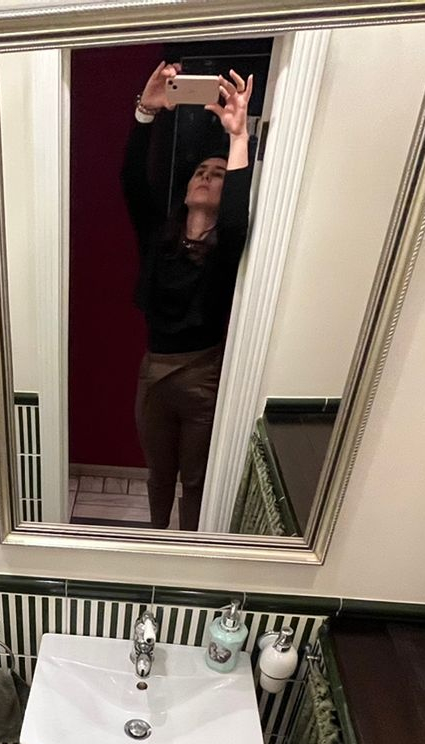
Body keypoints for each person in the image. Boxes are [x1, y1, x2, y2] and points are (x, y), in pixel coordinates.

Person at [122, 62, 255, 531]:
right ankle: (157, 542)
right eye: (200, 171)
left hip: (202, 374)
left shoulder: (225, 249)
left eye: (217, 174)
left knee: (196, 480)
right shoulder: (159, 239)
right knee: (159, 475)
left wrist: (238, 137)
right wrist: (146, 112)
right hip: (153, 370)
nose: (206, 176)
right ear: (185, 191)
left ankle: (190, 549)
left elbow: (235, 218)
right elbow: (132, 181)